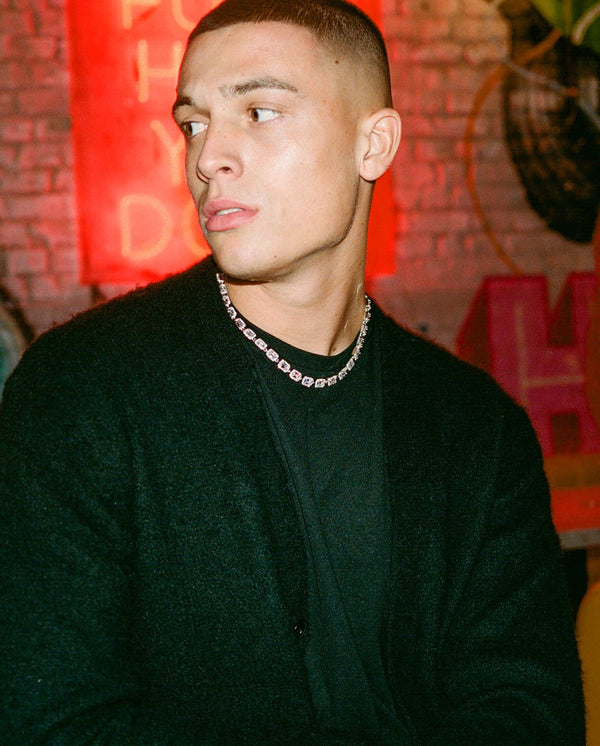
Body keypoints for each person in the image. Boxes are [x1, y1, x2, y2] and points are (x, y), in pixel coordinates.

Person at [0, 0, 585, 743]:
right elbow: (52, 721)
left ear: (373, 145)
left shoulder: (476, 425)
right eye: (193, 122)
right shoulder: (82, 390)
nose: (208, 156)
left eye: (260, 112)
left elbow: (531, 709)